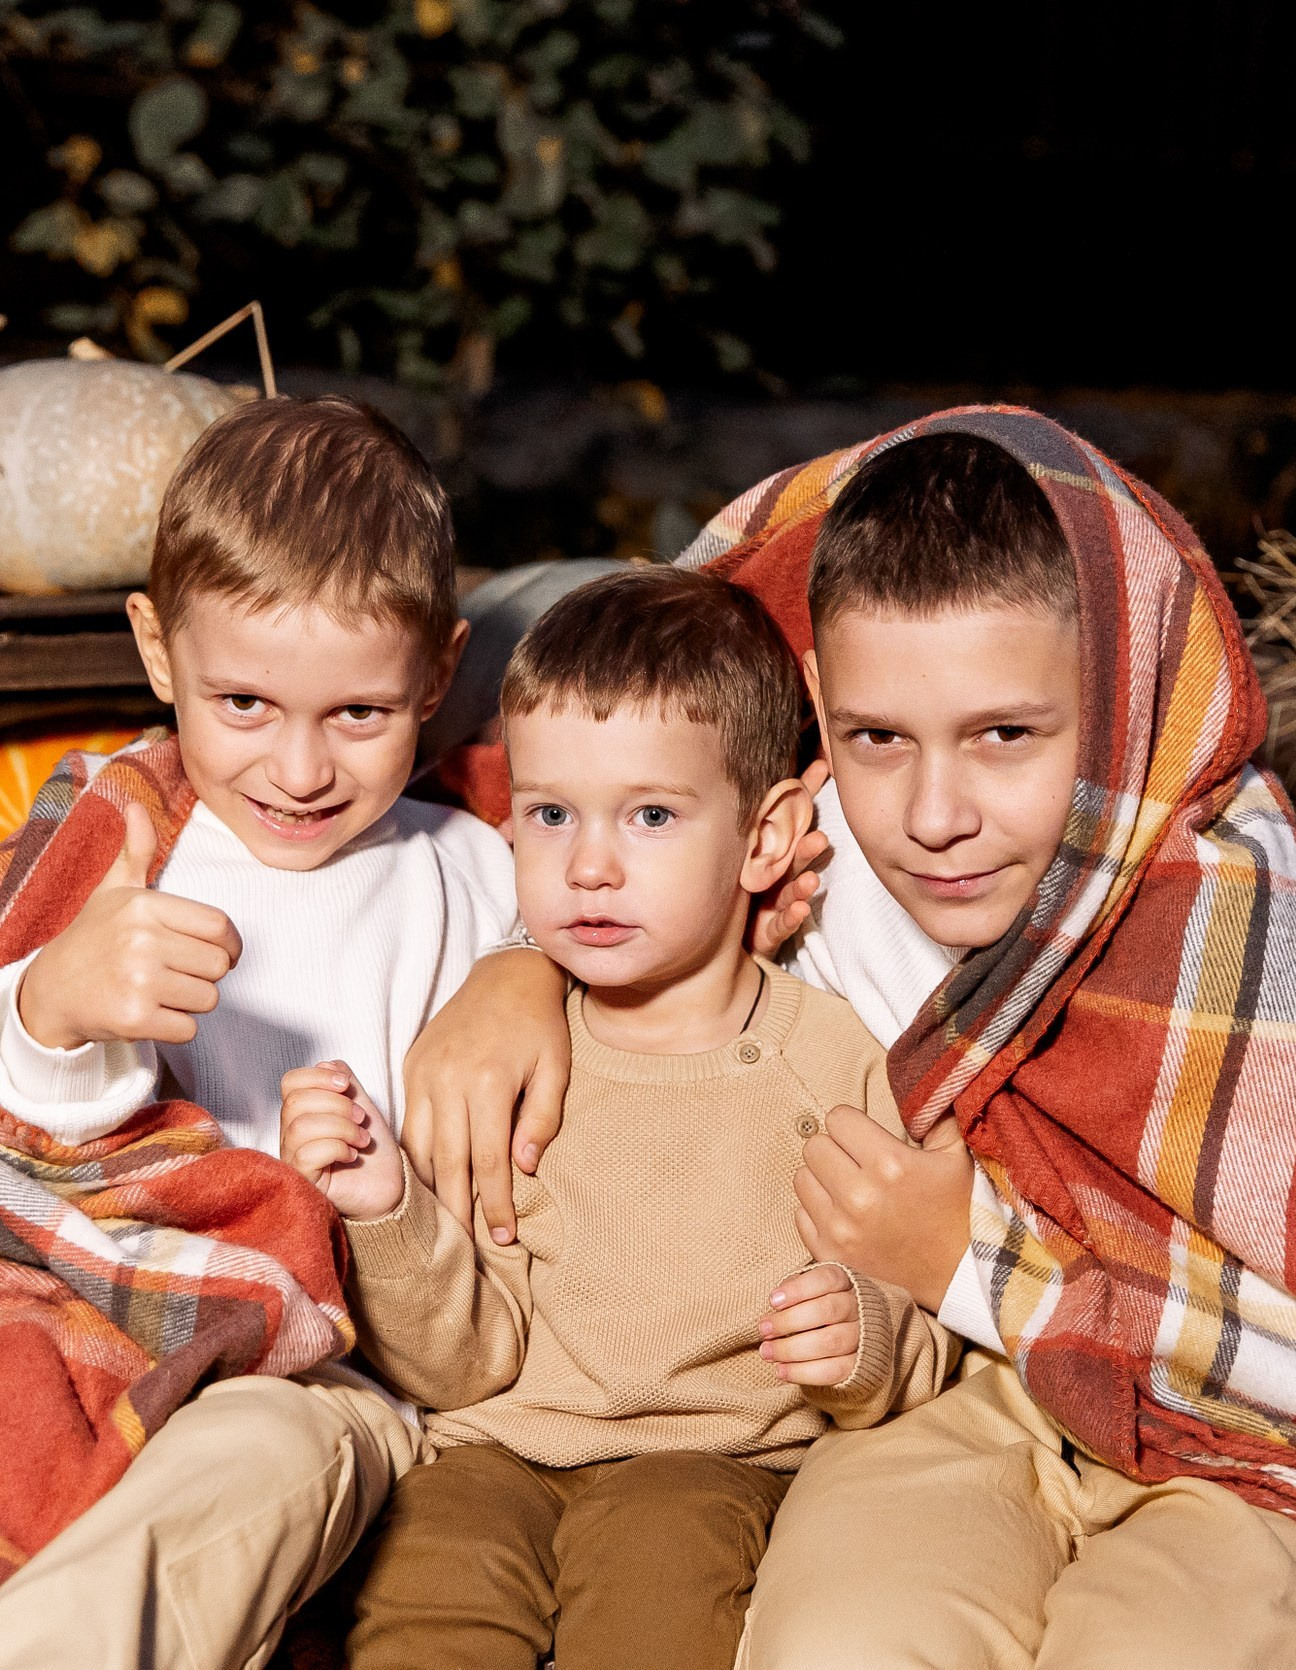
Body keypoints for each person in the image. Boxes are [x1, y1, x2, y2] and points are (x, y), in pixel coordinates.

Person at [397, 411, 1296, 1669]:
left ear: (1121, 699)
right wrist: (515, 969)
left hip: (1249, 1448)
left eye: (1005, 735)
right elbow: (575, 826)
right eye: (877, 737)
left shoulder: (1245, 923)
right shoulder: (792, 856)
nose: (932, 815)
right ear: (818, 705)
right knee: (838, 1646)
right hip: (954, 1398)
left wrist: (964, 1255)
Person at [286, 566, 955, 1670]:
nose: (589, 865)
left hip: (714, 1460)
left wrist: (863, 1335)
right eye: (550, 814)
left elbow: (922, 1308)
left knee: (654, 1604)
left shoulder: (837, 1063)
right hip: (491, 1447)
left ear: (767, 833)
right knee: (421, 1610)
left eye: (650, 814)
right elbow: (462, 1362)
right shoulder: (499, 1062)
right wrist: (384, 1207)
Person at [0, 394, 519, 1670]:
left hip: (330, 1372)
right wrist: (58, 1004)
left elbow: (631, 935)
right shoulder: (130, 849)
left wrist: (521, 975)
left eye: (361, 715)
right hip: (118, 1310)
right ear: (159, 652)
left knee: (245, 1473)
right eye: (246, 704)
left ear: (438, 670)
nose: (302, 769)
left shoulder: (471, 869)